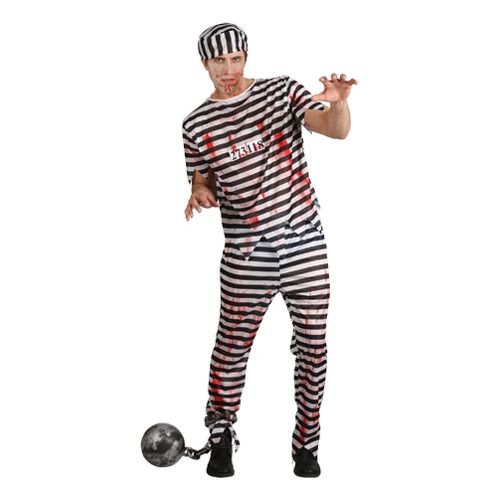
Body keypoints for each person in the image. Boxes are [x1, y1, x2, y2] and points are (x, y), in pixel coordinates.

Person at [181, 22, 357, 478]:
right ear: (204, 64)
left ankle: (306, 446)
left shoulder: (281, 92)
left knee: (313, 347)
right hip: (245, 255)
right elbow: (201, 179)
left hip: (304, 245)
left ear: (245, 57)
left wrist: (340, 103)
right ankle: (221, 438)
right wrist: (199, 193)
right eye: (219, 61)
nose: (229, 70)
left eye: (236, 59)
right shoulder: (195, 124)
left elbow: (333, 129)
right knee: (231, 348)